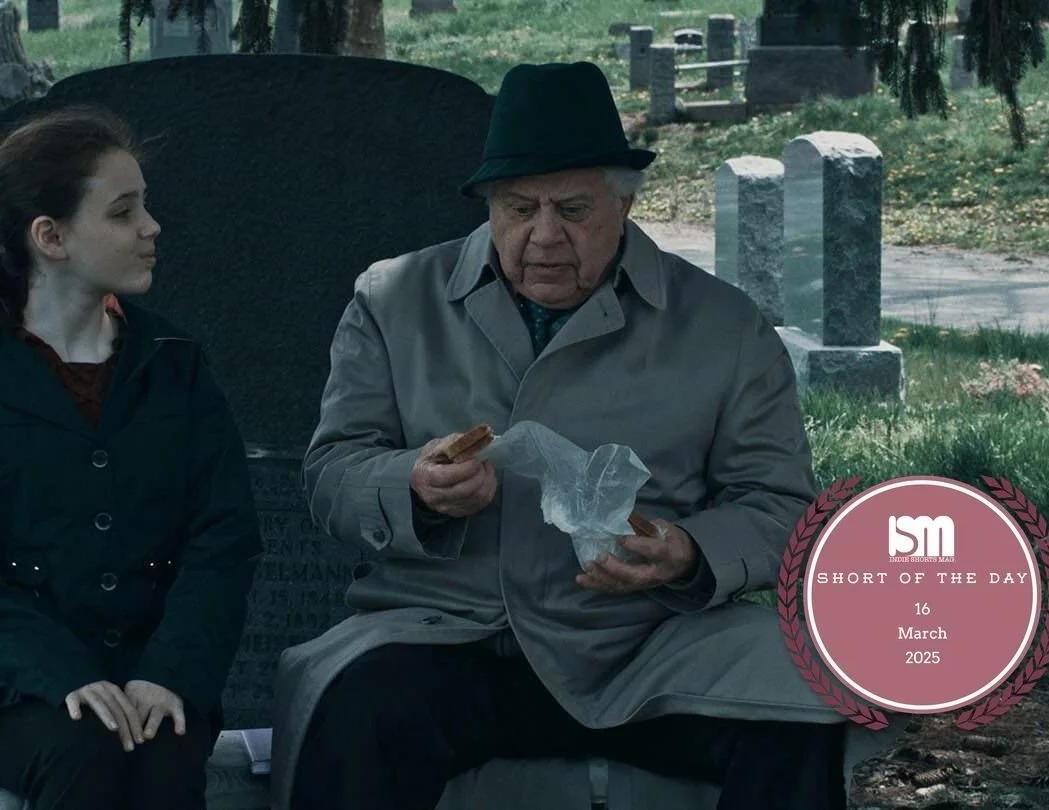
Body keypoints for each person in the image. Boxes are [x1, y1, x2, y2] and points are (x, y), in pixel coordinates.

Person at [270, 62, 888, 810]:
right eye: (518, 207)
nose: (543, 236)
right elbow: (332, 470)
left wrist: (690, 551)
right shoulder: (394, 300)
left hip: (649, 644)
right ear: (487, 205)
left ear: (626, 203)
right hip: (448, 634)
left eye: (572, 208)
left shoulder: (723, 326)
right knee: (355, 710)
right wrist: (412, 485)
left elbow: (782, 506)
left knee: (801, 703)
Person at [0, 104, 262, 810]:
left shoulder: (175, 366)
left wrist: (169, 672)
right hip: (12, 689)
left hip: (155, 672)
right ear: (51, 236)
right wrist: (65, 674)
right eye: (125, 212)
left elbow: (223, 538)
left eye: (145, 208)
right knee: (83, 753)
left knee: (161, 758)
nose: (152, 227)